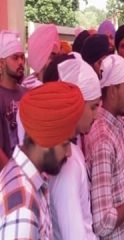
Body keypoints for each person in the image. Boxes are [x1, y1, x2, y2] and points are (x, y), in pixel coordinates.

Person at [0, 82, 84, 239]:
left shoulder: (29, 178)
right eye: (65, 144)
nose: (68, 153)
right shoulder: (22, 210)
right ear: (44, 141)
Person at [84, 54, 124, 239]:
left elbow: (113, 188)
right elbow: (103, 223)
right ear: (113, 91)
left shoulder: (118, 125)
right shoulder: (103, 140)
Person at [48, 53, 101, 240]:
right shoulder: (66, 163)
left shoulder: (72, 150)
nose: (96, 116)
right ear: (76, 105)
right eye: (93, 107)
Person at [0, 31, 26, 168]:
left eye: (22, 57)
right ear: (2, 63)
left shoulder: (27, 93)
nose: (21, 62)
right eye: (15, 58)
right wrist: (14, 176)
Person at [22, 24, 60, 89]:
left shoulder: (61, 84)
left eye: (56, 56)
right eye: (51, 56)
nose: (55, 61)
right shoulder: (27, 88)